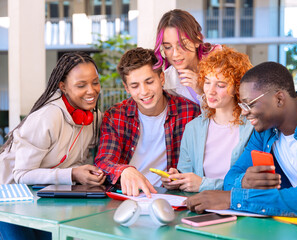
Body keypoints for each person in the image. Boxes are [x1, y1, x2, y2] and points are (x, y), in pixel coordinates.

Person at [184, 62, 297, 217]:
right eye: (242, 105)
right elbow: (232, 176)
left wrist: (233, 199)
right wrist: (243, 182)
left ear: (279, 99)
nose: (244, 112)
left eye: (249, 104)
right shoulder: (265, 130)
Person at [0, 52, 105, 240]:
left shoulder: (93, 117)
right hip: (9, 197)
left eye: (95, 82)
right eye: (81, 85)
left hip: (41, 196)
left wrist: (85, 172)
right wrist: (73, 174)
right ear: (62, 87)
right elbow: (22, 174)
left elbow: (77, 160)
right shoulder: (48, 116)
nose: (91, 90)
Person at [94, 47, 201, 198]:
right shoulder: (116, 115)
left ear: (161, 78)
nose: (144, 91)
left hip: (170, 197)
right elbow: (103, 162)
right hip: (126, 196)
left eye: (149, 81)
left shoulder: (190, 112)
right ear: (127, 88)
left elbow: (199, 165)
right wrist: (124, 170)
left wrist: (178, 176)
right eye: (135, 86)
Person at [161, 46, 253, 192]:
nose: (210, 91)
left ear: (237, 88)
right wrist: (177, 179)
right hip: (200, 207)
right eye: (207, 82)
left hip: (237, 207)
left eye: (221, 85)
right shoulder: (193, 128)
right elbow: (186, 173)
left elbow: (252, 183)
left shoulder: (252, 128)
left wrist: (203, 184)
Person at [154, 9, 220, 104]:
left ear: (197, 40)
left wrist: (202, 90)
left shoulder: (220, 61)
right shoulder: (167, 81)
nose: (175, 54)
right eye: (168, 47)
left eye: (182, 44)